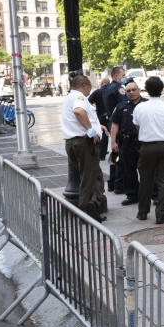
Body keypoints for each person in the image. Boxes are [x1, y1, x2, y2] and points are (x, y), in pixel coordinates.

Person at [132, 76, 164, 224]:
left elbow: (137, 126)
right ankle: (161, 213)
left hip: (147, 147)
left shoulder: (139, 107)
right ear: (161, 89)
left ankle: (142, 211)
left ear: (146, 89)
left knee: (145, 180)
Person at [61, 75, 107, 221]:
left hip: (74, 141)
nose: (89, 91)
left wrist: (96, 126)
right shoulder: (79, 97)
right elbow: (79, 112)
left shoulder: (69, 97)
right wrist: (91, 131)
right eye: (89, 88)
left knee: (94, 176)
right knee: (88, 178)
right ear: (85, 85)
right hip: (83, 142)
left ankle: (92, 208)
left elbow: (77, 118)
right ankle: (86, 212)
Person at [109, 81, 147, 206]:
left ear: (139, 90)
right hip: (127, 142)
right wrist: (113, 142)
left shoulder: (147, 104)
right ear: (125, 93)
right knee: (128, 170)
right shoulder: (121, 106)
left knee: (148, 170)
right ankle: (132, 195)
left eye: (134, 89)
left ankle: (154, 194)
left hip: (144, 142)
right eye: (128, 91)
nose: (131, 92)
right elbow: (115, 124)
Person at [103, 67, 126, 192]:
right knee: (120, 154)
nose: (125, 77)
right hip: (119, 124)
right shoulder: (119, 89)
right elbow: (124, 103)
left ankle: (112, 183)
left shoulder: (107, 88)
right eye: (123, 75)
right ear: (116, 76)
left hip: (111, 122)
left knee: (114, 153)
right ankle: (119, 184)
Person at [89, 77, 111, 160]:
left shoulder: (97, 92)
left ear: (101, 83)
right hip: (112, 116)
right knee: (114, 135)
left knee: (104, 136)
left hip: (101, 116)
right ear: (109, 83)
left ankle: (102, 155)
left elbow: (88, 102)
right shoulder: (111, 91)